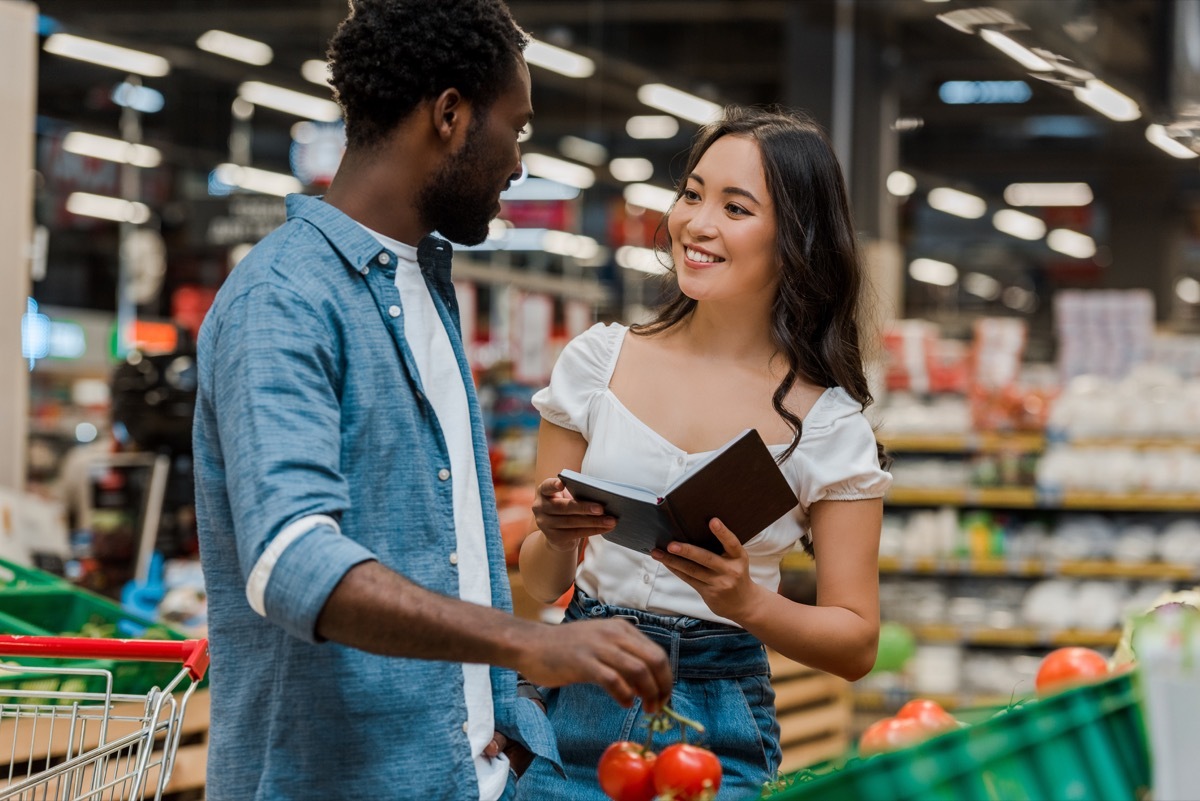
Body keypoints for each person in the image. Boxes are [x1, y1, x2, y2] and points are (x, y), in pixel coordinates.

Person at [192, 2, 672, 799]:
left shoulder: (428, 285)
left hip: (467, 775)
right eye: (515, 129)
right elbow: (292, 560)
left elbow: (444, 547)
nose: (519, 162)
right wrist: (526, 643)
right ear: (449, 115)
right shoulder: (282, 298)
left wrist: (513, 728)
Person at [515, 105, 894, 800]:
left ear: (795, 240)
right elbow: (538, 585)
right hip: (579, 683)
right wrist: (556, 536)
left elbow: (855, 642)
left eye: (736, 207)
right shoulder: (597, 364)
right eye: (692, 194)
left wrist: (744, 598)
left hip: (718, 715)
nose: (696, 223)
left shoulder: (830, 427)